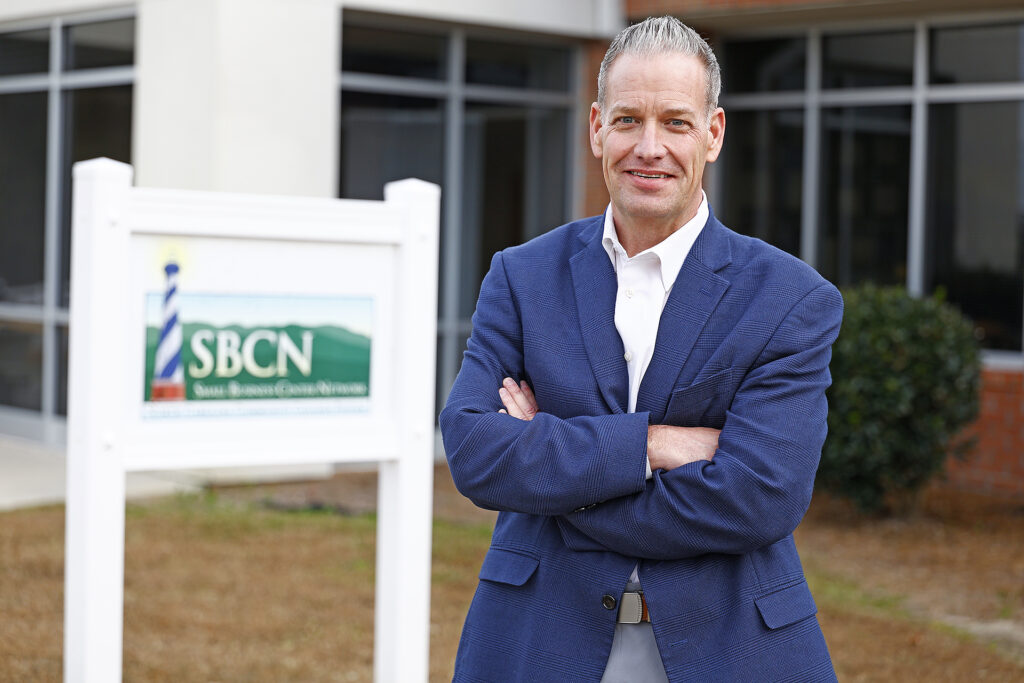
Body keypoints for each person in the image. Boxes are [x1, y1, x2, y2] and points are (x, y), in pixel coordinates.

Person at [440, 16, 842, 683]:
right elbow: (477, 453)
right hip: (540, 635)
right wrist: (650, 445)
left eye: (676, 123)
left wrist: (552, 468)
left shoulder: (791, 299)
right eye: (628, 120)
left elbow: (759, 495)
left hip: (727, 643)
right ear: (596, 126)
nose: (648, 147)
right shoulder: (521, 275)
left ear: (712, 134)